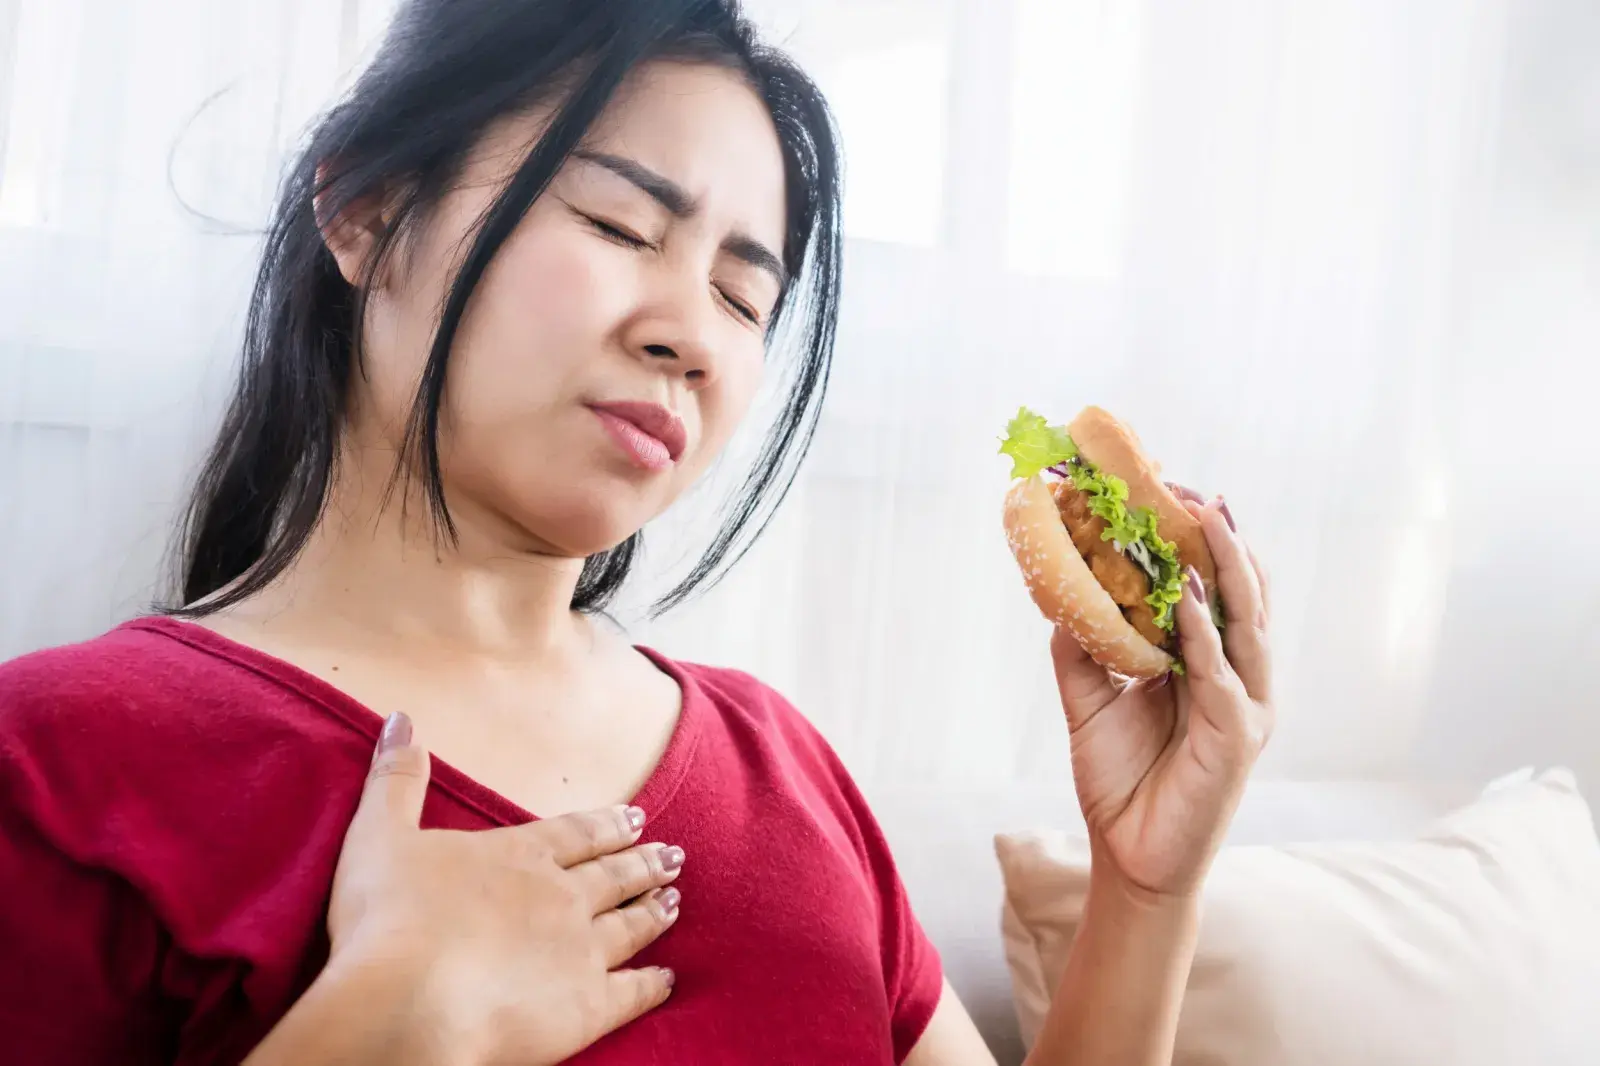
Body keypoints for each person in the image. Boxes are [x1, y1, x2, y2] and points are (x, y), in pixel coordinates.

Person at [0, 1, 1274, 1063]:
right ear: (370, 209)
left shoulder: (784, 767)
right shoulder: (57, 762)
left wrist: (1144, 894)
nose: (690, 333)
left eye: (741, 293)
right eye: (618, 226)